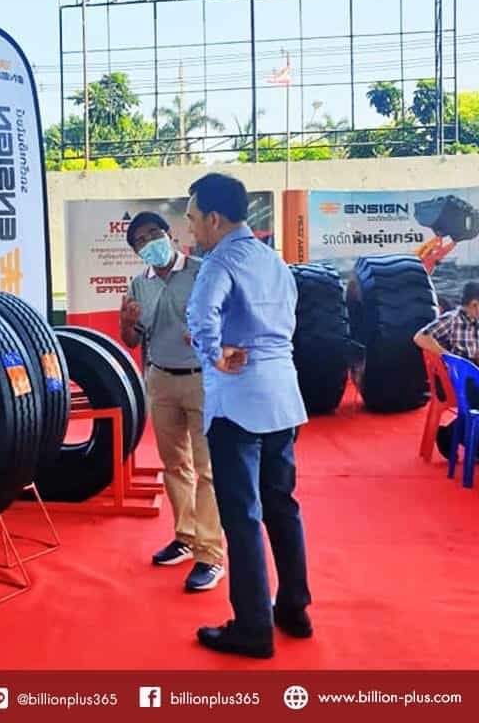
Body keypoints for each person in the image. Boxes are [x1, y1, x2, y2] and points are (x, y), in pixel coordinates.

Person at [185, 173, 312, 659]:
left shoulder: (220, 262)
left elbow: (201, 316)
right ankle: (294, 608)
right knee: (282, 506)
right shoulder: (273, 259)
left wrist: (214, 353)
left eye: (194, 218)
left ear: (214, 218)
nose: (191, 228)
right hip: (282, 397)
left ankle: (253, 627)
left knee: (242, 517)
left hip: (238, 402)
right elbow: (289, 322)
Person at [120, 211, 226, 592]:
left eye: (153, 234)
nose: (149, 243)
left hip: (202, 379)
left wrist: (207, 334)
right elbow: (132, 339)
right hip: (161, 379)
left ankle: (210, 554)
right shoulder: (138, 284)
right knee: (174, 465)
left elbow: (229, 318)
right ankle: (185, 536)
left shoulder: (202, 271)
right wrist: (126, 323)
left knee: (207, 469)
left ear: (169, 234)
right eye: (140, 242)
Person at [414, 281, 479, 454]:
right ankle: (461, 437)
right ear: (474, 304)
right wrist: (447, 356)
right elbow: (420, 338)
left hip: (471, 377)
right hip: (453, 380)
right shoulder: (452, 320)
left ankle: (451, 435)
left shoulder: (476, 323)